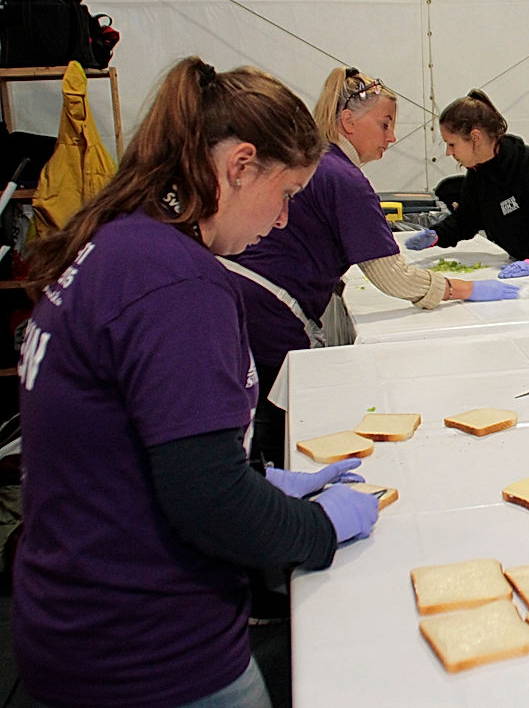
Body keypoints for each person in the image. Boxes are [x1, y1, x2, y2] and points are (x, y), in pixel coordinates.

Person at [13, 57, 381, 708]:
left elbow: (133, 449)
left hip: (75, 622)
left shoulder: (120, 245)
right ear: (240, 166)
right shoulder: (180, 284)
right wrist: (316, 529)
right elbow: (206, 499)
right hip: (148, 650)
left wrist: (261, 481)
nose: (285, 220)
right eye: (287, 194)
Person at [229, 67, 522, 470]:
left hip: (252, 303)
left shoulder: (326, 165)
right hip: (271, 312)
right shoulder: (343, 178)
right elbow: (394, 277)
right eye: (385, 124)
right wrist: (464, 289)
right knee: (272, 434)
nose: (391, 137)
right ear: (348, 121)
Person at [405, 89, 529, 308]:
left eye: (451, 144)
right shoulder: (477, 175)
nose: (448, 152)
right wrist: (437, 235)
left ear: (475, 137)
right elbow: (466, 220)